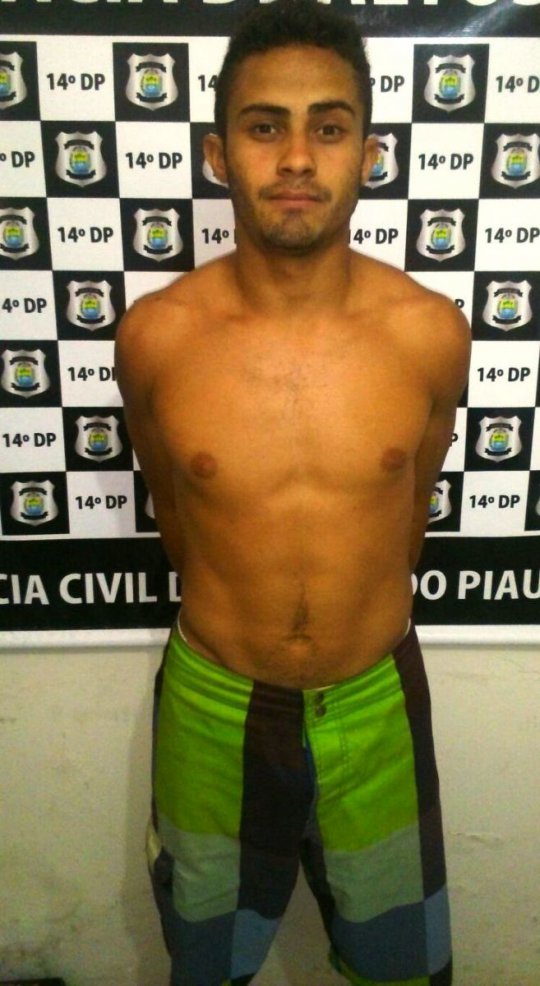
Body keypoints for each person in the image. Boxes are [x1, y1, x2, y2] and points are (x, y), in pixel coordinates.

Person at [115, 2, 470, 983]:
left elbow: (411, 509)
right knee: (206, 963)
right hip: (214, 701)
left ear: (369, 152)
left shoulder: (430, 331)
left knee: (402, 966)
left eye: (330, 126)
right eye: (266, 126)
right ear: (218, 153)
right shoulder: (156, 336)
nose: (299, 158)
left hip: (378, 699)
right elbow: (174, 512)